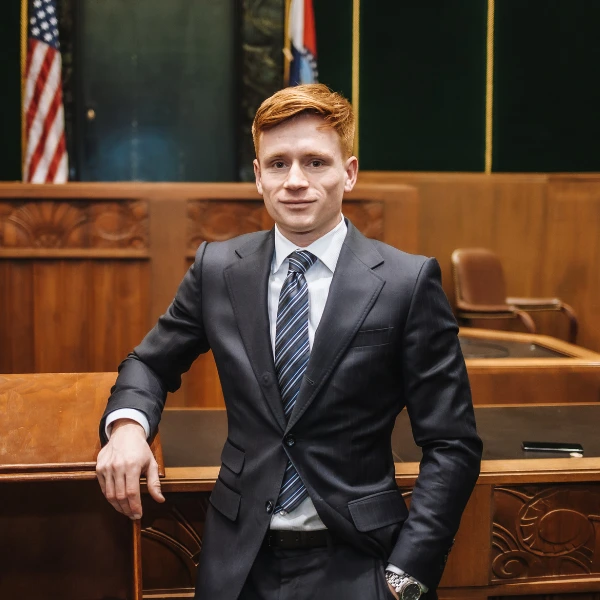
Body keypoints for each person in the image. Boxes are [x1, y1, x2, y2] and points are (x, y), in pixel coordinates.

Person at [96, 84, 482, 600]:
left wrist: (407, 573)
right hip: (237, 563)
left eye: (315, 162)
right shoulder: (218, 270)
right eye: (277, 164)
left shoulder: (406, 283)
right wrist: (126, 428)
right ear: (258, 177)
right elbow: (148, 363)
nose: (295, 182)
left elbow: (452, 443)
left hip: (361, 563)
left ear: (349, 172)